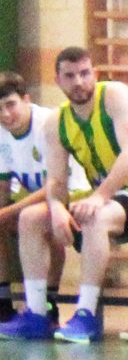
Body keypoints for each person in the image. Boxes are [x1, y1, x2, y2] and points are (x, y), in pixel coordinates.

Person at [2, 48, 128, 344]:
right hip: (101, 197)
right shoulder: (58, 121)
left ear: (94, 74)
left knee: (96, 216)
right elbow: (56, 180)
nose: (78, 82)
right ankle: (37, 313)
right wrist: (56, 208)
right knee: (32, 217)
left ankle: (86, 314)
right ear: (57, 80)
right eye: (69, 76)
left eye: (84, 74)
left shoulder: (114, 95)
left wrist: (99, 196)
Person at [0, 74, 68, 316]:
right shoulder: (2, 133)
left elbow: (56, 185)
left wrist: (8, 211)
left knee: (36, 220)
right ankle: (3, 301)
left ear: (26, 99)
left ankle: (47, 303)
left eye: (10, 105)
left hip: (71, 194)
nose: (6, 115)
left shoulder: (47, 124)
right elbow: (3, 187)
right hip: (36, 198)